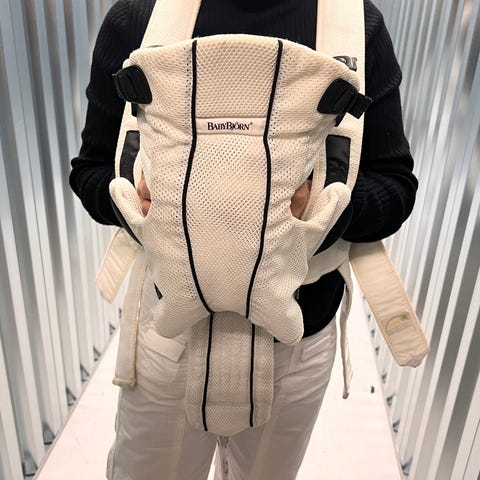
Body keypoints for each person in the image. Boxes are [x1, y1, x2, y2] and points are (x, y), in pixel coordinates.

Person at [70, 0, 418, 478]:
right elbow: (90, 170)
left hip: (296, 340)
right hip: (170, 335)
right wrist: (140, 203)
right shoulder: (139, 18)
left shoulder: (355, 25)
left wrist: (321, 211)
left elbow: (395, 186)